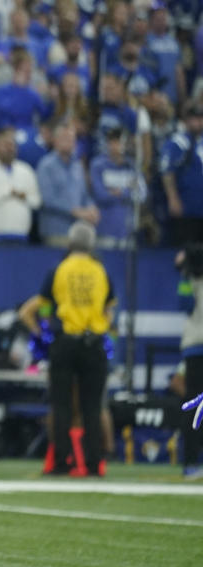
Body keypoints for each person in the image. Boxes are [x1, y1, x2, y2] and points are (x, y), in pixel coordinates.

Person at [19, 222, 115, 476]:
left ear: (70, 244)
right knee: (92, 406)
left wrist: (44, 331)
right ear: (91, 245)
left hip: (65, 341)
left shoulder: (59, 270)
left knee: (61, 405)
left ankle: (62, 462)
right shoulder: (100, 271)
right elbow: (109, 310)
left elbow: (44, 306)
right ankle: (94, 464)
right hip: (94, 342)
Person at [37, 123, 99, 245]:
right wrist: (75, 211)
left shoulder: (78, 166)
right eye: (64, 138)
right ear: (55, 140)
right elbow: (48, 199)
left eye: (71, 139)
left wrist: (91, 208)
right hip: (55, 231)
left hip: (78, 234)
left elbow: (84, 194)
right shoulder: (45, 165)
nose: (68, 142)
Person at [89, 128, 146, 246]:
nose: (118, 146)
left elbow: (142, 195)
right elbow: (100, 195)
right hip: (104, 229)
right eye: (115, 142)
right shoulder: (98, 165)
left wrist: (120, 192)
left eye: (121, 142)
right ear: (109, 143)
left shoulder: (132, 167)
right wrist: (128, 190)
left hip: (128, 230)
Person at [176, 248, 203, 479]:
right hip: (196, 347)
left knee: (194, 403)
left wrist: (184, 272)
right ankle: (192, 461)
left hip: (195, 346)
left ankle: (192, 462)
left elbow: (183, 305)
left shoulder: (190, 278)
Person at [160, 102, 203, 243]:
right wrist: (173, 198)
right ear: (186, 120)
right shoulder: (179, 142)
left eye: (200, 118)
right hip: (187, 209)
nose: (198, 122)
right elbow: (167, 170)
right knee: (186, 253)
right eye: (194, 118)